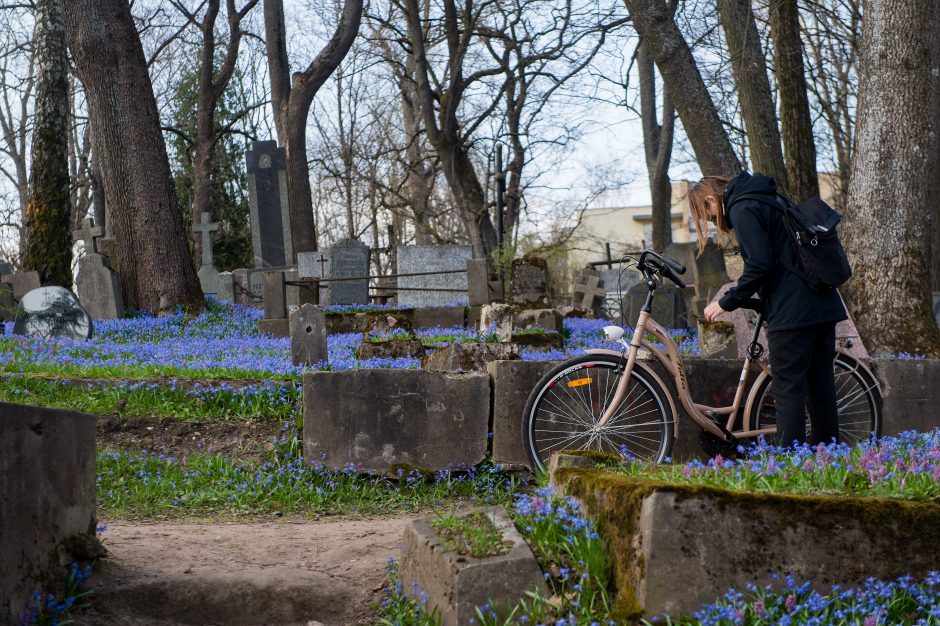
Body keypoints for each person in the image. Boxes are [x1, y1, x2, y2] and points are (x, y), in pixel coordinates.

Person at [688, 171, 847, 447]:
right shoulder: (767, 197)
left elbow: (761, 263)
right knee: (820, 388)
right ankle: (827, 458)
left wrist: (726, 301)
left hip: (793, 313)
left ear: (712, 200)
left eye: (710, 216)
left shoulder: (742, 207)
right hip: (822, 302)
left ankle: (790, 466)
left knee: (788, 389)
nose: (714, 222)